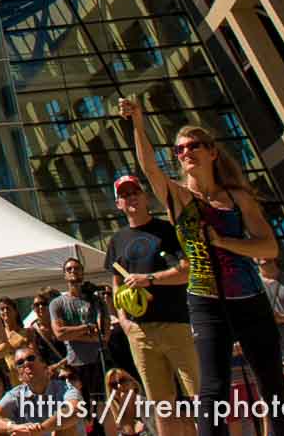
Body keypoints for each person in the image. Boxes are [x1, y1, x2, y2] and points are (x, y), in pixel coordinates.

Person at [120, 96, 284, 436]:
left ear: (212, 152)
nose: (186, 153)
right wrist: (138, 123)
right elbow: (149, 168)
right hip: (205, 300)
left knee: (272, 383)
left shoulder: (236, 197)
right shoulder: (178, 197)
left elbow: (268, 245)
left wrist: (223, 241)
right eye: (180, 150)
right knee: (212, 390)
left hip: (249, 298)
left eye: (194, 146)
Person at [106, 172, 196, 436]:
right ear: (118, 204)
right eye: (124, 195)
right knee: (161, 405)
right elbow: (116, 285)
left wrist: (149, 280)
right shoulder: (116, 241)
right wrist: (124, 321)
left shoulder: (167, 231)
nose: (130, 197)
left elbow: (186, 271)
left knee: (199, 396)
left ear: (145, 197)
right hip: (140, 333)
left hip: (176, 324)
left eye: (134, 192)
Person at [0, 348, 85, 436]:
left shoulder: (65, 388)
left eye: (30, 358)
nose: (26, 364)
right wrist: (12, 427)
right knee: (3, 430)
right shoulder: (16, 394)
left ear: (44, 366)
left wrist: (40, 429)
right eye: (20, 363)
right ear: (19, 376)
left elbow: (74, 410)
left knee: (66, 427)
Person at [52, 257, 108, 411]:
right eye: (69, 269)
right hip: (75, 365)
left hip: (98, 361)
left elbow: (103, 335)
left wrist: (73, 333)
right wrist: (87, 328)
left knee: (102, 408)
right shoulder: (58, 303)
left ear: (83, 273)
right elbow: (60, 334)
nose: (73, 271)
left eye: (76, 268)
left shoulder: (95, 300)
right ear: (64, 275)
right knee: (80, 410)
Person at [100, 369, 148, 436]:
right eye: (113, 385)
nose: (119, 386)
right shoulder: (110, 414)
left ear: (132, 383)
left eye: (122, 381)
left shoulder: (145, 404)